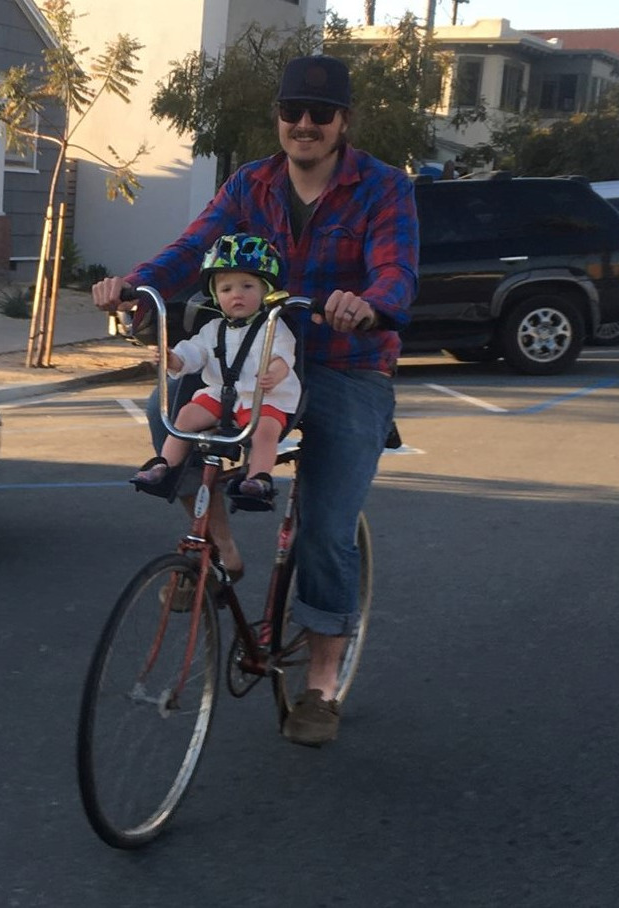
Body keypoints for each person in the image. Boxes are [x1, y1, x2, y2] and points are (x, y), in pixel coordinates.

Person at [92, 54, 419, 746]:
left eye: (319, 114)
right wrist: (135, 287)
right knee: (169, 411)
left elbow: (396, 272)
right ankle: (219, 550)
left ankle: (321, 682)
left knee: (326, 528)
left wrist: (368, 303)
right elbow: (192, 251)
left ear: (342, 123)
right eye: (291, 110)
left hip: (343, 364)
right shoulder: (251, 184)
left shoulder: (382, 188)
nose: (303, 124)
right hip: (249, 360)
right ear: (278, 116)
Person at [130, 233, 301, 512]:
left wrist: (275, 372)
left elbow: (284, 355)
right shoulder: (213, 329)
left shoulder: (272, 326)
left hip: (261, 397)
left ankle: (258, 478)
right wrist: (175, 360)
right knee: (184, 415)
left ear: (265, 290)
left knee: (265, 431)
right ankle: (165, 465)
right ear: (215, 295)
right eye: (226, 289)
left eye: (247, 286)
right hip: (220, 396)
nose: (237, 295)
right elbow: (194, 353)